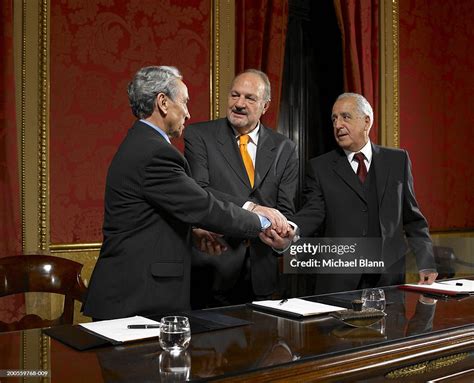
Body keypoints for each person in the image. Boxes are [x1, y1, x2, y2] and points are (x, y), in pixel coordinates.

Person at [82, 66, 287, 320]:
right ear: (163, 102)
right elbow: (203, 206)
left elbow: (154, 217)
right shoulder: (155, 153)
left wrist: (193, 233)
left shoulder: (142, 143)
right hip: (136, 296)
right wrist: (261, 218)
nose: (188, 113)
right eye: (185, 102)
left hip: (134, 292)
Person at [265, 92, 438, 294]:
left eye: (345, 117)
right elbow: (313, 213)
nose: (338, 125)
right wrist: (290, 228)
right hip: (338, 284)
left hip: (388, 281)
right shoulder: (320, 167)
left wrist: (426, 262)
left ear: (366, 122)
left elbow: (413, 218)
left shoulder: (397, 161)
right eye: (334, 119)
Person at [184, 69, 298, 307]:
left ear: (265, 106)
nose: (239, 104)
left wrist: (285, 240)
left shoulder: (285, 148)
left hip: (263, 275)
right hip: (213, 268)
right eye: (234, 95)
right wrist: (251, 208)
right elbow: (200, 190)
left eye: (249, 98)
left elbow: (286, 210)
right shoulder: (199, 135)